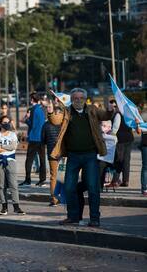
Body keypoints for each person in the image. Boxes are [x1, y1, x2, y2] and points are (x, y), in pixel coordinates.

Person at [51, 88, 113, 227]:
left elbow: (105, 116)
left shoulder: (92, 110)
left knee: (93, 188)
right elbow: (56, 120)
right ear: (71, 100)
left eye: (81, 98)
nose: (78, 101)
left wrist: (110, 110)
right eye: (75, 98)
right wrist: (50, 112)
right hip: (73, 156)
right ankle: (73, 217)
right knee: (69, 187)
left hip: (90, 155)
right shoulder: (67, 111)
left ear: (85, 99)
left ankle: (94, 219)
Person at [0, 115, 25, 215]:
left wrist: (2, 146)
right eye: (4, 122)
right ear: (0, 124)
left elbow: (13, 147)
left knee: (13, 184)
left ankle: (16, 207)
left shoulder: (12, 134)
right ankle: (4, 207)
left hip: (11, 160)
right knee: (1, 185)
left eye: (8, 122)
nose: (6, 124)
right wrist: (7, 148)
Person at [20, 93, 46, 186]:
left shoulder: (32, 109)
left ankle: (28, 180)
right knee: (42, 159)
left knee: (29, 159)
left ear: (31, 100)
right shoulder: (42, 108)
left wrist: (26, 119)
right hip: (42, 137)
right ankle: (42, 180)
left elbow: (33, 125)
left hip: (34, 137)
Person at [42, 103, 63, 206]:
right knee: (65, 175)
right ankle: (65, 197)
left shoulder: (46, 124)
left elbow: (43, 139)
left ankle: (54, 199)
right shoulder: (64, 124)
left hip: (52, 153)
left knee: (53, 176)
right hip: (63, 153)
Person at [109, 99, 134, 187]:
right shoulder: (128, 115)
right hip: (129, 138)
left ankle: (115, 181)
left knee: (119, 160)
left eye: (115, 106)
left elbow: (115, 127)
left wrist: (110, 135)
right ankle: (126, 180)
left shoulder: (118, 115)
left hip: (121, 139)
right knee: (126, 161)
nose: (114, 108)